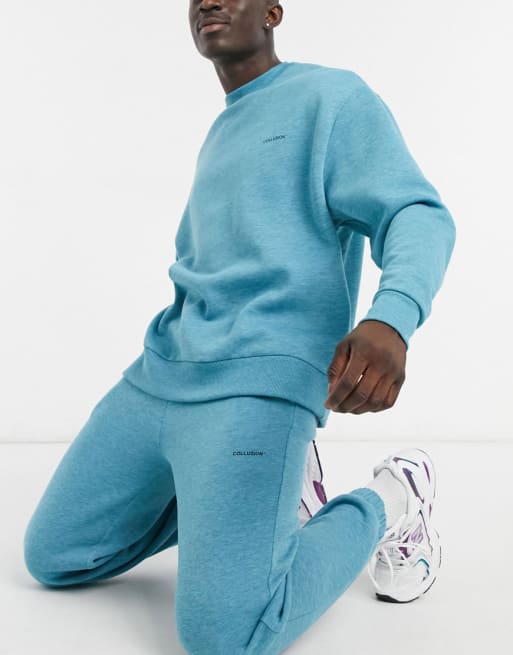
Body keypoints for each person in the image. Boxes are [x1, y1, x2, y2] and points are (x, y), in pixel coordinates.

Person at [22, 1, 456, 654]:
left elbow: (415, 212)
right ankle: (270, 499)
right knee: (57, 555)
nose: (208, 2)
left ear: (273, 11)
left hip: (257, 387)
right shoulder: (224, 127)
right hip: (162, 374)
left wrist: (391, 319)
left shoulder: (330, 98)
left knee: (226, 637)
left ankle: (391, 498)